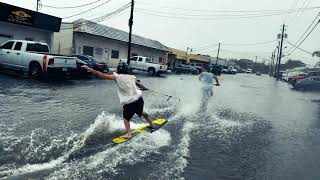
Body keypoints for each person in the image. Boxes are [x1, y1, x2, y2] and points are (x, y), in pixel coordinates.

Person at [81, 64, 155, 139]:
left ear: (119, 70)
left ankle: (129, 134)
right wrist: (144, 88)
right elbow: (139, 84)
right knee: (143, 112)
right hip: (139, 99)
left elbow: (102, 75)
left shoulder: (117, 77)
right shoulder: (132, 77)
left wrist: (89, 69)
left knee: (126, 120)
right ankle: (152, 125)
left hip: (129, 103)